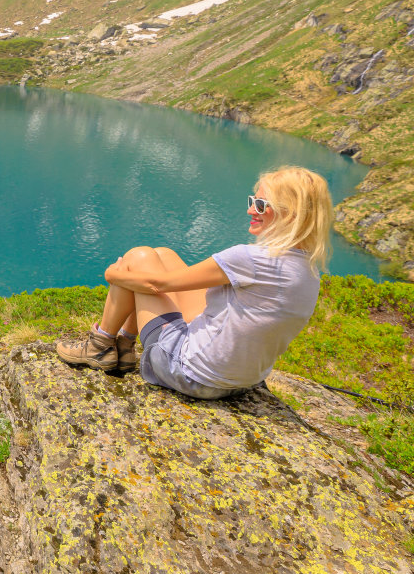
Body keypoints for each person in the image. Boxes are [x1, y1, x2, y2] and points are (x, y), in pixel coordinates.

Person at [56, 166, 333, 399]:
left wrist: (113, 274)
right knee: (164, 255)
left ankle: (101, 345)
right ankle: (125, 349)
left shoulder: (250, 259)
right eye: (252, 200)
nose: (251, 210)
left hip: (190, 374)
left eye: (261, 205)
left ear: (291, 214)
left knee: (138, 258)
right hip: (242, 382)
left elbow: (157, 285)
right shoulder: (308, 269)